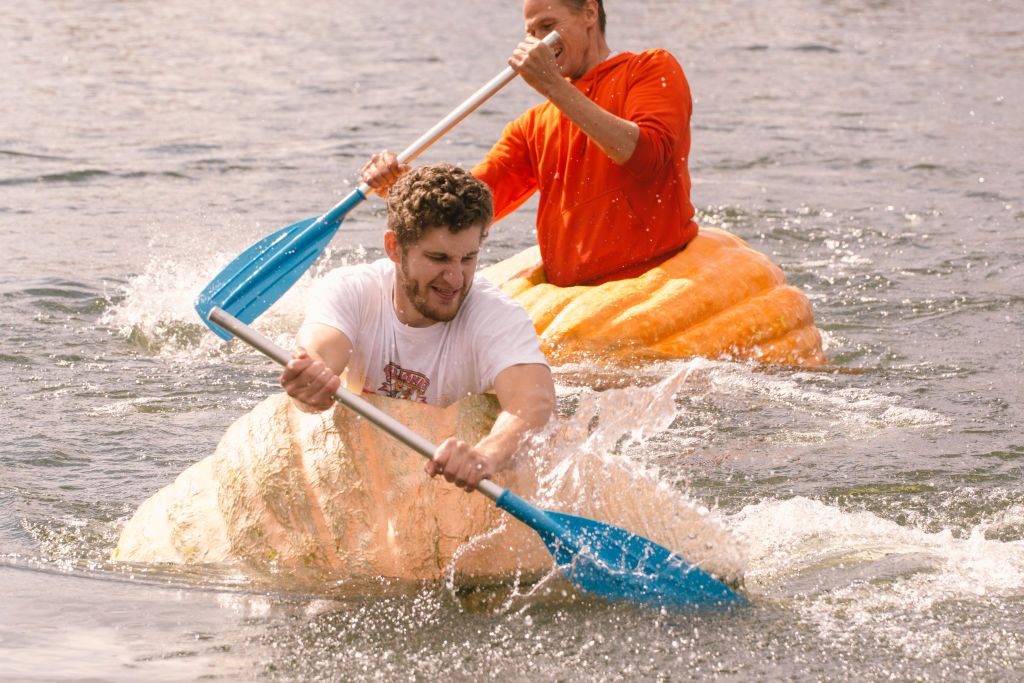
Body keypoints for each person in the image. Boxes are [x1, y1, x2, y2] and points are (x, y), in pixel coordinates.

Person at [361, 0, 698, 288]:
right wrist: (402, 184)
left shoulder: (651, 68)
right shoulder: (533, 124)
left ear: (589, 13)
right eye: (530, 33)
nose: (538, 41)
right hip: (574, 295)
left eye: (547, 26)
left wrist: (553, 85)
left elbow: (646, 157)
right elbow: (469, 205)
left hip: (656, 280)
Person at [280, 163, 555, 492]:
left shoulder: (497, 316)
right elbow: (319, 352)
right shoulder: (349, 290)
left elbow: (534, 403)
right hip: (369, 477)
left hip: (454, 488)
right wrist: (309, 386)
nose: (455, 279)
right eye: (438, 259)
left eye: (467, 259)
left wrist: (486, 455)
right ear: (394, 247)